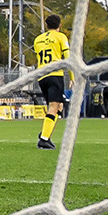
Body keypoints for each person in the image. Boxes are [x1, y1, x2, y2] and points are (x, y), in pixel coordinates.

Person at [33, 14, 70, 150]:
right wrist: (72, 77)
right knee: (54, 107)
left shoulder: (38, 39)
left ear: (47, 25)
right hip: (55, 74)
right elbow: (67, 58)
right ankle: (43, 139)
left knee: (59, 106)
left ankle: (45, 132)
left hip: (42, 76)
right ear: (59, 25)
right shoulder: (61, 37)